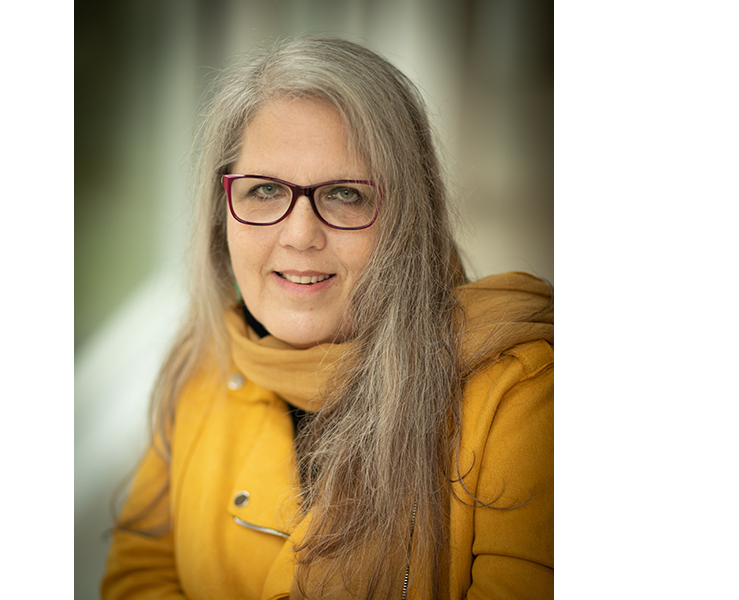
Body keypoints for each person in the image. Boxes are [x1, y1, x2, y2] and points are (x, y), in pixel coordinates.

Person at [101, 37, 553, 600]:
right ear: (223, 211)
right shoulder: (205, 363)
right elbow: (137, 574)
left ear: (409, 218)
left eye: (345, 194)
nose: (299, 235)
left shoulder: (522, 394)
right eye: (265, 190)